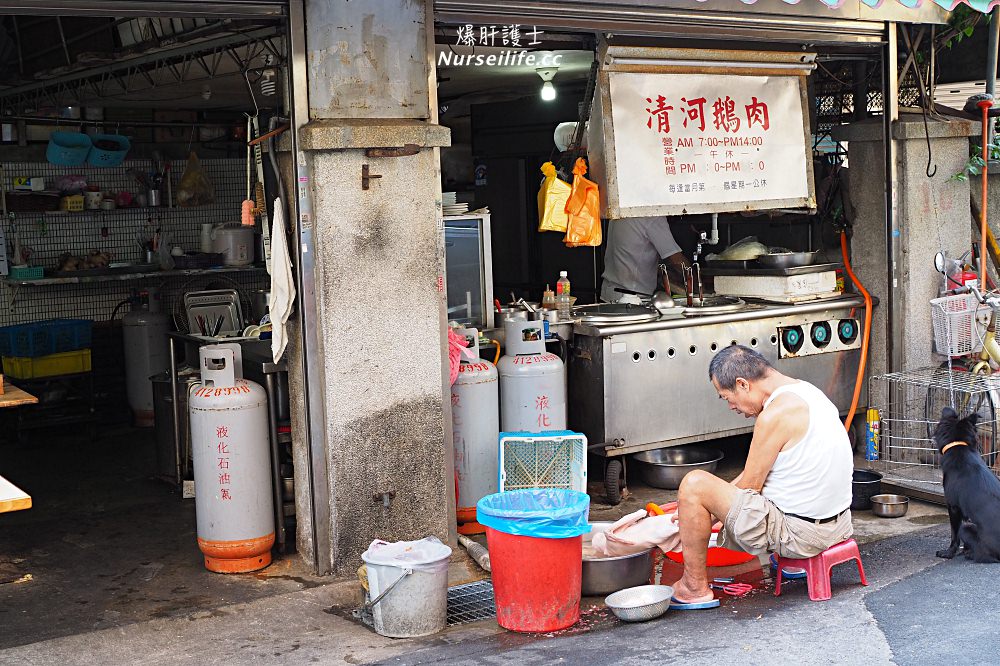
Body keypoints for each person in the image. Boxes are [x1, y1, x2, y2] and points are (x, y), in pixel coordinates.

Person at [669, 344, 853, 608]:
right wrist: (706, 512)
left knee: (694, 485)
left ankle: (693, 587)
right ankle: (793, 565)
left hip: (805, 536)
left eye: (726, 397)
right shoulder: (807, 392)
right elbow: (754, 476)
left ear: (743, 384)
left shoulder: (772, 416)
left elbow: (749, 488)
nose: (731, 406)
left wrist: (700, 513)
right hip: (839, 525)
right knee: (709, 495)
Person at [600, 216, 689, 303]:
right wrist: (696, 278)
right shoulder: (652, 217)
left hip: (609, 293)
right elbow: (677, 260)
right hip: (633, 299)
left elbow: (630, 255)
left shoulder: (618, 213)